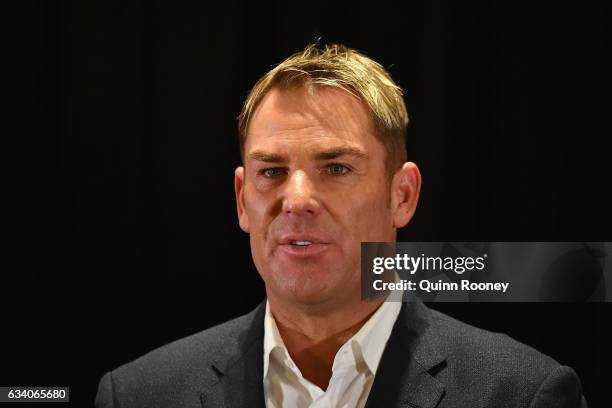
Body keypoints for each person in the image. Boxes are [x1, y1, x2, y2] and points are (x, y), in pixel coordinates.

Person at [95, 44, 587, 407]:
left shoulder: (522, 394)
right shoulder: (138, 394)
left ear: (403, 195)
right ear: (242, 199)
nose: (298, 199)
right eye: (272, 172)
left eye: (335, 168)